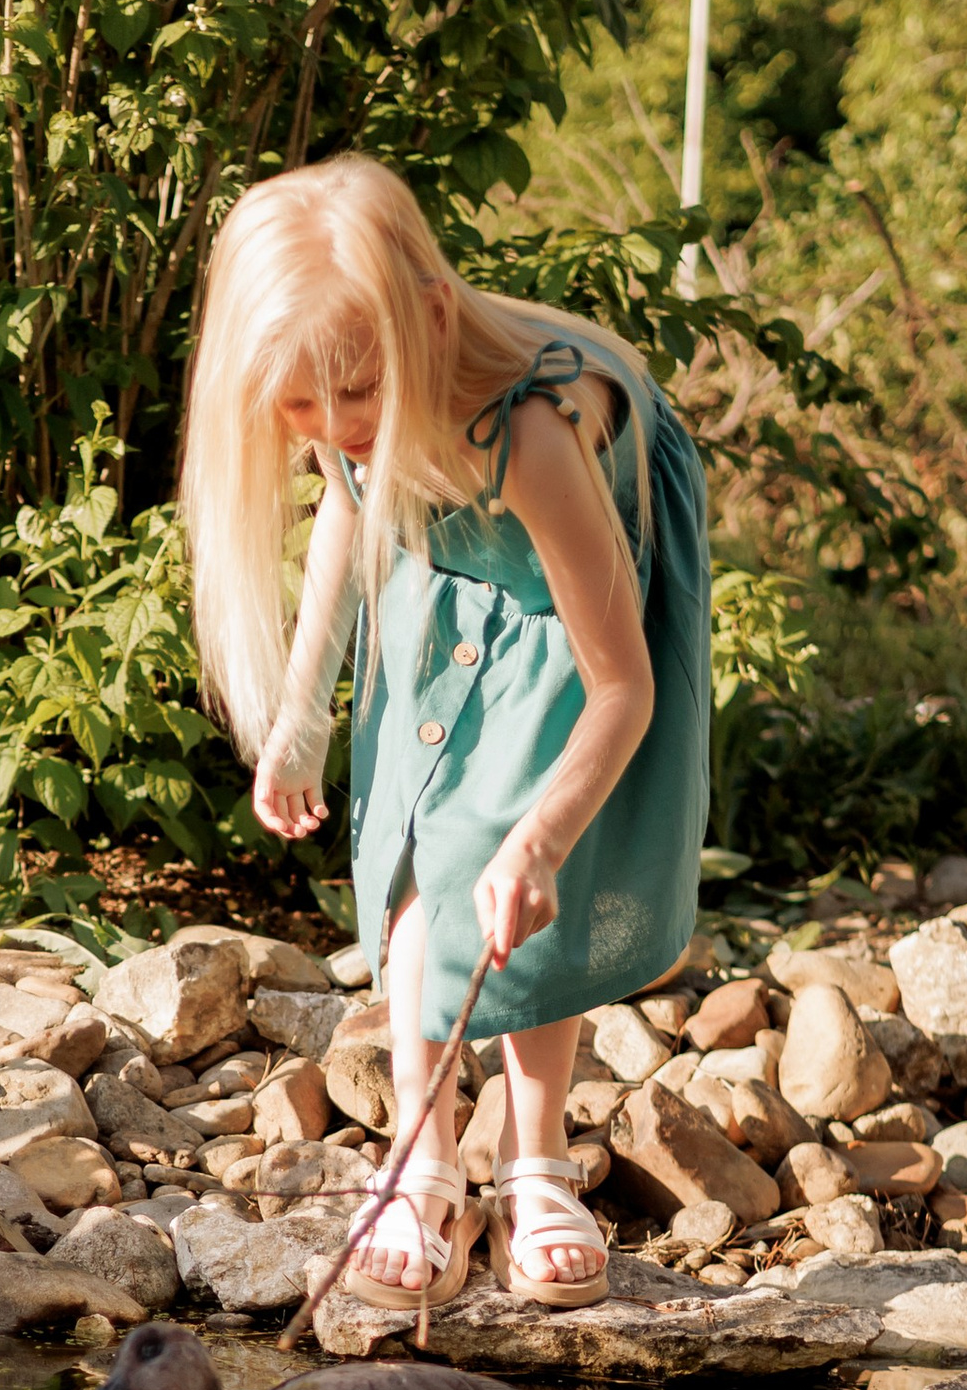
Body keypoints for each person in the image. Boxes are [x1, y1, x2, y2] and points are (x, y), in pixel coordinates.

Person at [181, 154, 712, 1312]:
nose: (335, 430)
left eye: (357, 397)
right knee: (422, 853)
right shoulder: (355, 408)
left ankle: (535, 1163)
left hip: (569, 597)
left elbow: (621, 684)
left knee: (512, 875)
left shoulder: (528, 431)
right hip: (441, 555)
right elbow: (346, 508)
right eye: (302, 411)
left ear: (424, 322)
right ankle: (422, 1164)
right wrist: (298, 716)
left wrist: (542, 839)